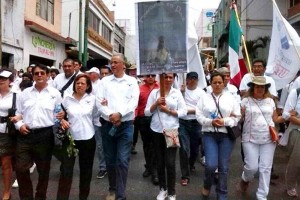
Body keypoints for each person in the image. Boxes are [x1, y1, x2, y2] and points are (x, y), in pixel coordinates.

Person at [14, 64, 63, 200]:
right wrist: (19, 125)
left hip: (45, 135)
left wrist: (62, 116)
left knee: (43, 170)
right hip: (25, 134)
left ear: (48, 75)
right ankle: (26, 197)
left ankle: (40, 196)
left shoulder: (55, 94)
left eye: (42, 73)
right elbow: (18, 113)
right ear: (33, 76)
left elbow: (59, 113)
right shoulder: (24, 93)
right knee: (21, 168)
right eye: (37, 73)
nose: (39, 75)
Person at [96, 53, 139, 200]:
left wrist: (120, 114)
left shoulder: (132, 82)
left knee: (122, 160)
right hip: (108, 125)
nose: (112, 65)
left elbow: (133, 102)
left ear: (123, 65)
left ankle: (120, 195)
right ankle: (112, 188)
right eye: (111, 62)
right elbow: (99, 102)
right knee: (110, 159)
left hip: (125, 126)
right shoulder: (104, 82)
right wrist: (111, 115)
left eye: (115, 62)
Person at [196, 72, 240, 200]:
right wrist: (210, 122)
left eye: (220, 82)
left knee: (223, 167)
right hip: (209, 135)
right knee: (210, 165)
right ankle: (207, 184)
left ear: (224, 83)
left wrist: (224, 121)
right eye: (214, 82)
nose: (217, 85)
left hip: (226, 136)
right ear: (211, 83)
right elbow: (199, 116)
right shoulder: (204, 98)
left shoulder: (230, 98)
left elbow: (237, 117)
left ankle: (222, 194)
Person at [239, 76, 284, 199]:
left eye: (262, 87)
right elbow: (239, 117)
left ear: (265, 88)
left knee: (265, 168)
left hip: (268, 139)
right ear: (253, 87)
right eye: (257, 86)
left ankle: (262, 196)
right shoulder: (245, 101)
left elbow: (275, 119)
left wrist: (287, 116)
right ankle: (245, 178)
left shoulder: (270, 101)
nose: (259, 89)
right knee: (251, 167)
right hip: (249, 139)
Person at [145, 73, 187, 200]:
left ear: (173, 79)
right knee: (159, 161)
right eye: (165, 77)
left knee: (170, 163)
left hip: (172, 131)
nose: (168, 79)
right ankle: (163, 189)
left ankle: (172, 192)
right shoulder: (155, 93)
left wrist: (169, 111)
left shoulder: (177, 93)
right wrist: (156, 104)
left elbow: (184, 112)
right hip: (156, 130)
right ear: (161, 78)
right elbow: (146, 112)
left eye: (170, 77)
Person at [58, 74, 99, 200]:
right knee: (66, 171)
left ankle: (83, 197)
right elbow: (60, 116)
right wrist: (61, 120)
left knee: (86, 172)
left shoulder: (93, 99)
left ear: (87, 86)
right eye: (77, 83)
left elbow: (96, 117)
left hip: (88, 139)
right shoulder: (66, 99)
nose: (79, 85)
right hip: (70, 140)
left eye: (83, 83)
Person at [178, 72, 206, 186]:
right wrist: (182, 93)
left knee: (194, 149)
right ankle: (185, 175)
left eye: (195, 78)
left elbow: (202, 109)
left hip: (196, 123)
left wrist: (188, 110)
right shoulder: (181, 91)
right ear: (187, 79)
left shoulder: (201, 93)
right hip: (183, 122)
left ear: (197, 80)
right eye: (190, 78)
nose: (192, 80)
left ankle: (190, 164)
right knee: (184, 149)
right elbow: (179, 107)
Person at [135, 74, 159, 185]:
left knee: (154, 145)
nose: (150, 77)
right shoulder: (139, 89)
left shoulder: (159, 88)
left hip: (155, 118)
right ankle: (148, 166)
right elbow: (136, 105)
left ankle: (154, 170)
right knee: (146, 145)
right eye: (148, 75)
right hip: (143, 119)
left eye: (153, 75)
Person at [86, 67, 107, 179]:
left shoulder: (102, 84)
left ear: (96, 74)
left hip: (102, 119)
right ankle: (103, 167)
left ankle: (105, 166)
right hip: (91, 120)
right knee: (98, 145)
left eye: (91, 73)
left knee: (103, 144)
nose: (90, 75)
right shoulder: (88, 85)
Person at [0, 69, 16, 200]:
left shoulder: (16, 95)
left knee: (6, 164)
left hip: (6, 133)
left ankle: (6, 191)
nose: (0, 81)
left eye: (3, 79)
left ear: (10, 81)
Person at [282, 88, 300, 197]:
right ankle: (291, 185)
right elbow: (286, 114)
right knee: (296, 162)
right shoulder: (296, 92)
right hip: (297, 131)